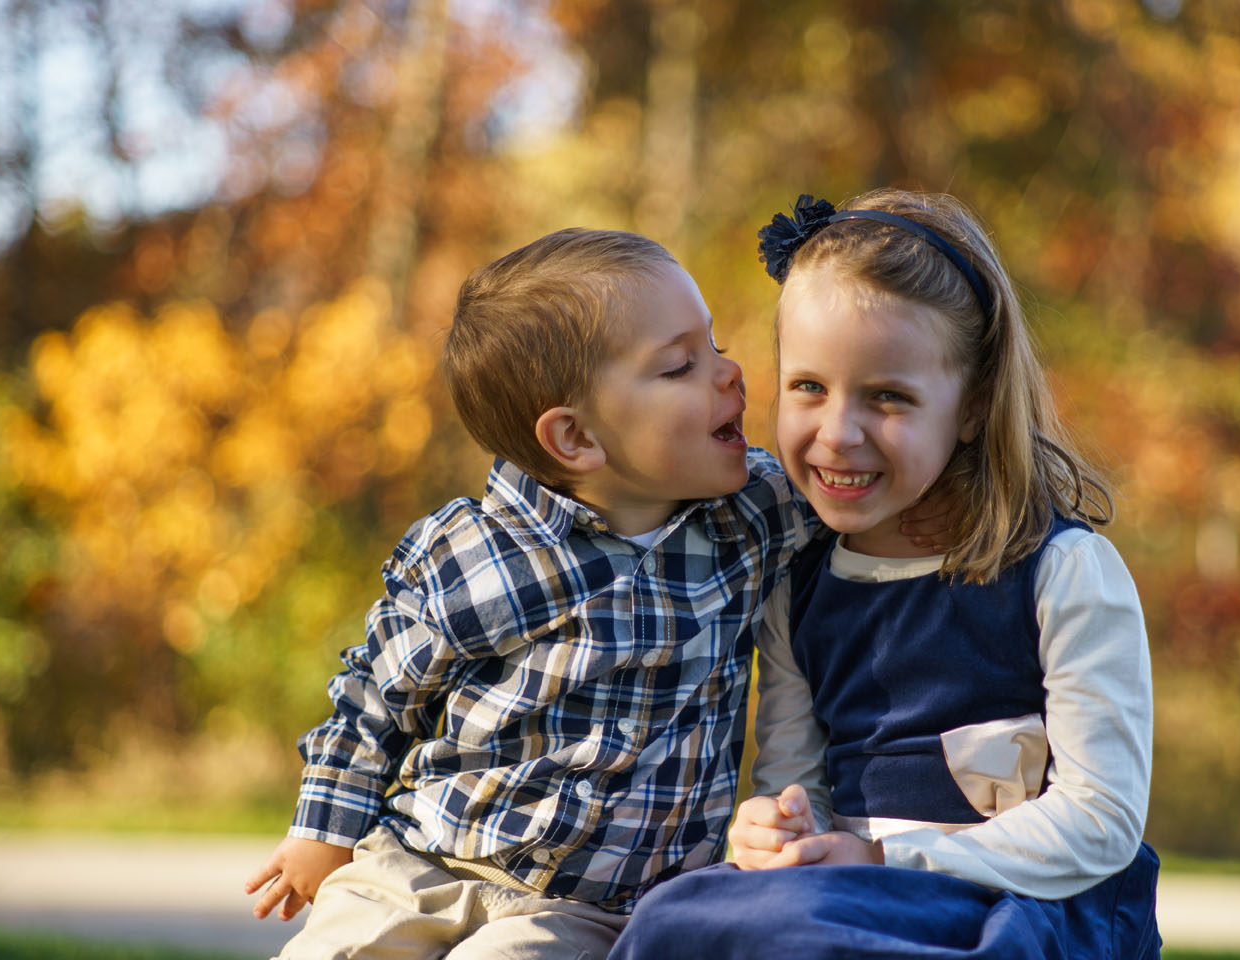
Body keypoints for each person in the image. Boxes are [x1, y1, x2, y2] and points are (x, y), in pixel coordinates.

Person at [243, 227, 824, 959]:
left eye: (717, 343)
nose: (731, 372)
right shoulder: (477, 554)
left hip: (583, 909)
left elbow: (870, 499)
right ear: (575, 440)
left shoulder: (755, 516)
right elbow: (373, 697)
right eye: (681, 366)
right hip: (420, 862)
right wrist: (321, 832)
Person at [608, 190, 1161, 959]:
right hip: (848, 892)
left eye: (889, 398)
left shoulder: (1061, 572)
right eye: (808, 387)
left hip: (1020, 899)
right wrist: (779, 829)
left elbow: (1099, 820)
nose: (838, 433)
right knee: (677, 918)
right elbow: (796, 785)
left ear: (971, 408)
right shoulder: (798, 588)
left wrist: (883, 860)